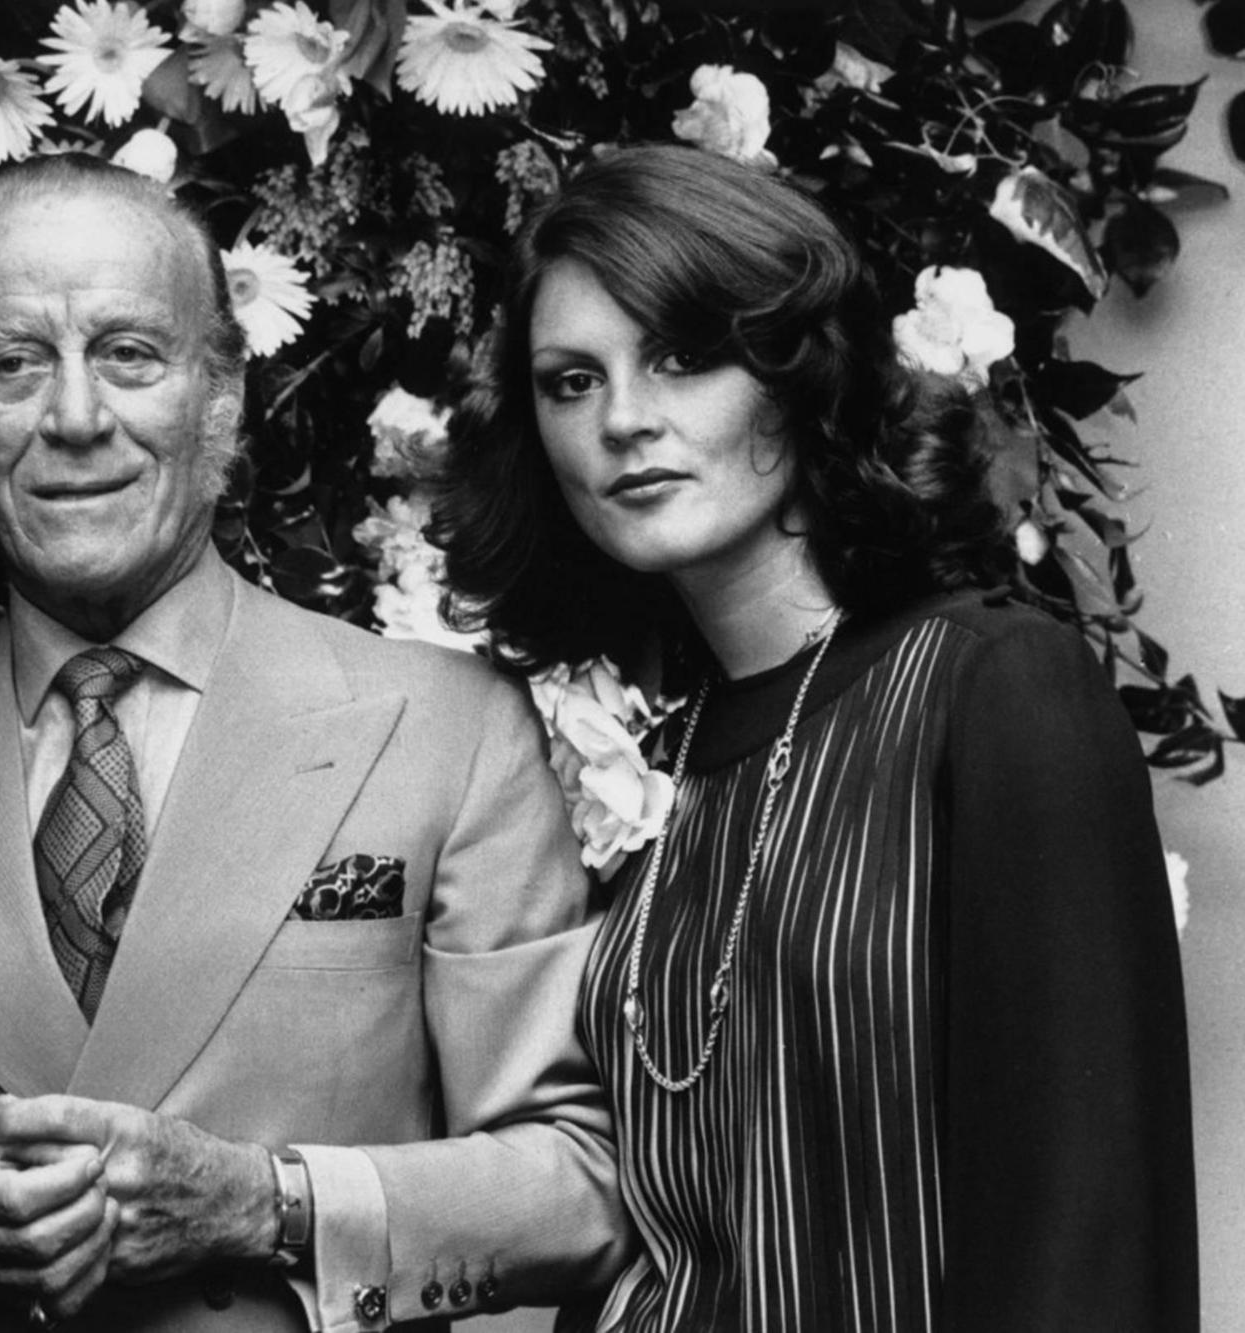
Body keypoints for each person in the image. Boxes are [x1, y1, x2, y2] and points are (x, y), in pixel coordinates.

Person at [0, 151, 633, 1332]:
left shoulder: (447, 732)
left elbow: (582, 1181)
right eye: (11, 364)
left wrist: (267, 1203)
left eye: (128, 354)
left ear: (221, 392)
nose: (74, 417)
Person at [431, 142, 1198, 1332]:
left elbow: (1087, 1238)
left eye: (682, 357)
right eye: (571, 381)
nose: (623, 420)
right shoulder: (646, 763)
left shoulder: (987, 687)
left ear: (800, 373)